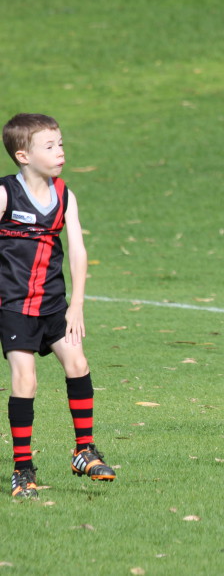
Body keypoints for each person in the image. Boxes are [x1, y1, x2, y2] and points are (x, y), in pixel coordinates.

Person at [2, 114, 116, 501]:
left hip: (54, 305)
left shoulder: (65, 193)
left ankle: (84, 451)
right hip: (14, 306)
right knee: (26, 379)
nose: (60, 151)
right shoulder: (5, 194)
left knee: (78, 364)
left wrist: (77, 304)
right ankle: (22, 470)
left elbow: (79, 250)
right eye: (49, 146)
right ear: (23, 155)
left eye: (61, 143)